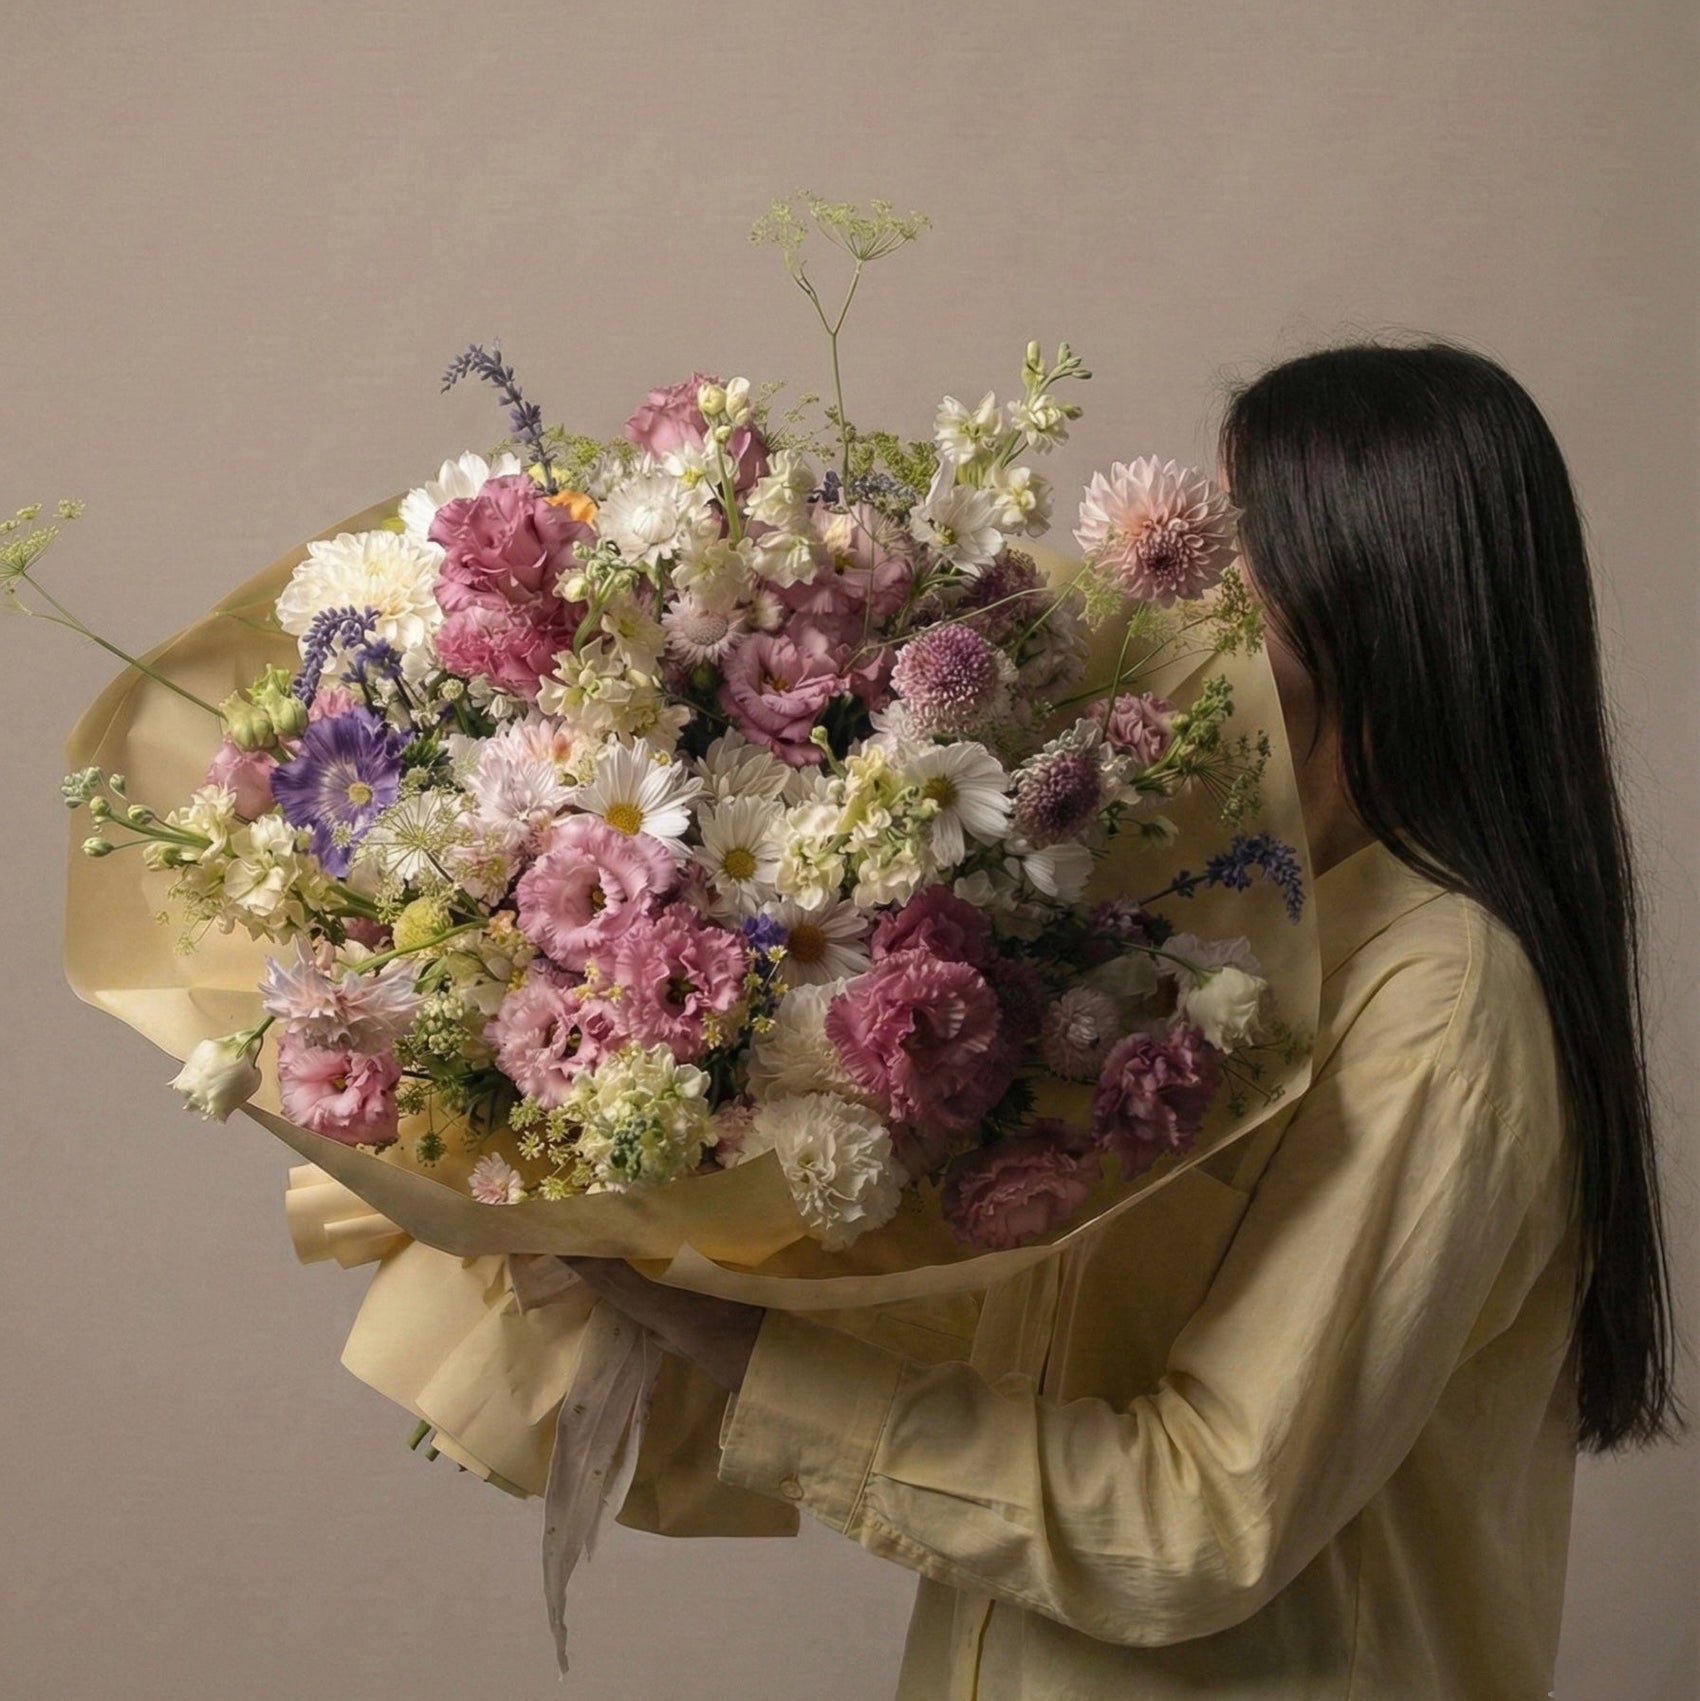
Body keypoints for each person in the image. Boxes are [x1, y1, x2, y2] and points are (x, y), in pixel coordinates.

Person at [563, 338, 1687, 1699]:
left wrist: (751, 1356)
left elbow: (1203, 1516)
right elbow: (1024, 1357)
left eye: (1221, 567)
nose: (1173, 607)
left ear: (1369, 610)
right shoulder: (1226, 939)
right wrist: (667, 1224)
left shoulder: (1441, 1000)